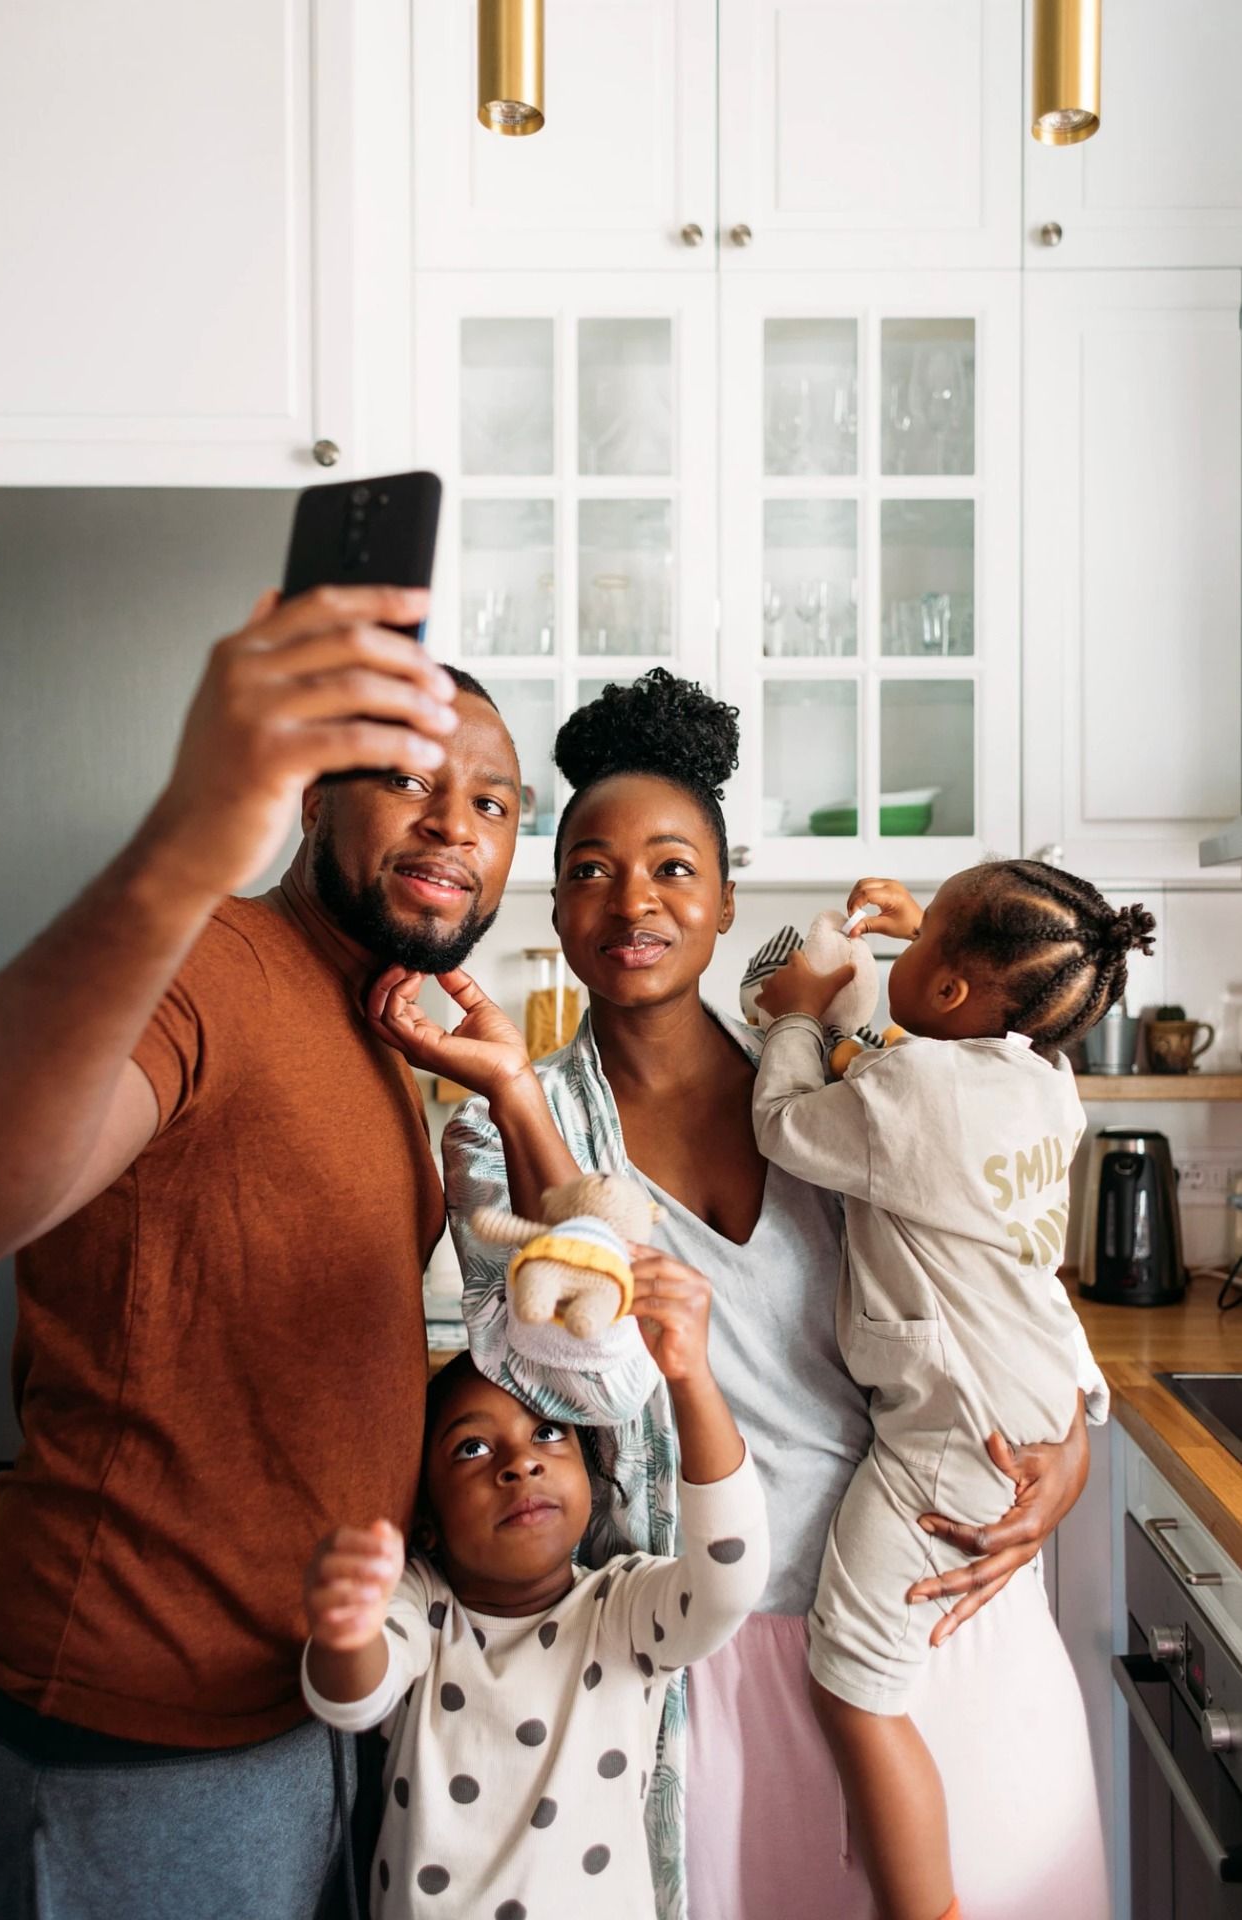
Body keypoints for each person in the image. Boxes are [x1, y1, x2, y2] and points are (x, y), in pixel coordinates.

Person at [364, 669, 1110, 1920]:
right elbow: (570, 1372)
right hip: (696, 1666)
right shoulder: (499, 1137)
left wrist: (1068, 1450)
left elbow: (997, 1270)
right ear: (556, 905)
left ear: (718, 903)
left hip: (934, 1614)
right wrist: (519, 1100)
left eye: (670, 867)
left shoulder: (850, 1082)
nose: (632, 899)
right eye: (591, 869)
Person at [0, 582, 523, 1920]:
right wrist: (188, 832)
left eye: (496, 801)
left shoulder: (379, 1030)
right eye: (404, 776)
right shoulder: (210, 961)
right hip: (134, 1723)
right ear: (310, 799)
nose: (455, 820)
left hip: (299, 1698)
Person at [754, 865, 1155, 1920]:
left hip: (948, 1438)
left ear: (945, 993)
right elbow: (901, 1069)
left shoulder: (911, 1090)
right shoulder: (1040, 1083)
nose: (908, 934)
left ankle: (923, 1910)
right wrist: (894, 958)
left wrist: (797, 1016)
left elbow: (792, 1120)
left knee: (853, 1678)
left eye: (925, 931)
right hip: (1019, 1398)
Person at [301, 1248, 767, 1917]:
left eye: (548, 1433)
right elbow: (352, 1700)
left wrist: (690, 1379)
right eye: (472, 1448)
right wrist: (344, 1630)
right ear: (427, 1521)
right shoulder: (420, 1604)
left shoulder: (620, 1609)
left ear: (590, 1473)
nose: (520, 1463)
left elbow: (729, 1584)